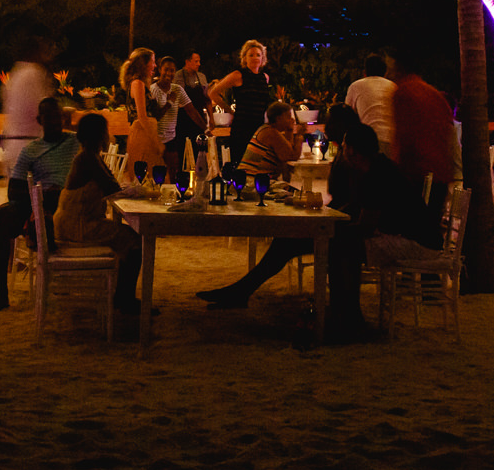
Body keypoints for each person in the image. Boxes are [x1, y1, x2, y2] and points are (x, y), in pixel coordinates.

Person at [195, 126, 438, 342]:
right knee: (292, 240)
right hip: (394, 234)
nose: (342, 153)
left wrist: (324, 229)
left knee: (338, 244)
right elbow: (352, 211)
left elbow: (363, 227)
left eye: (343, 148)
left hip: (415, 241)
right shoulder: (368, 169)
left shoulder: (377, 173)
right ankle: (243, 291)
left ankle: (348, 317)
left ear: (353, 150)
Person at [0, 98, 80, 313]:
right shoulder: (31, 150)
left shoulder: (75, 141)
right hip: (43, 202)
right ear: (40, 120)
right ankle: (2, 293)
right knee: (1, 216)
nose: (56, 122)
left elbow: (101, 138)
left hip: (72, 203)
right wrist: (40, 197)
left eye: (58, 116)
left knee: (51, 210)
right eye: (50, 117)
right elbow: (13, 190)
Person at [53, 112, 146, 315]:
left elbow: (111, 185)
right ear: (98, 135)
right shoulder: (87, 158)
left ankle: (121, 294)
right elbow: (112, 187)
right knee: (134, 241)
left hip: (73, 220)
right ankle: (124, 298)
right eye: (105, 131)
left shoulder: (89, 155)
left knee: (127, 237)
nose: (108, 135)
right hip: (79, 225)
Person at [386, 49, 457, 217]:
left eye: (391, 68)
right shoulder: (433, 93)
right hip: (440, 173)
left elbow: (405, 138)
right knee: (431, 230)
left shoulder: (403, 92)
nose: (388, 74)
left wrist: (396, 176)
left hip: (417, 174)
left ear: (399, 68)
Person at [210, 39, 274, 171]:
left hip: (259, 128)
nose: (255, 58)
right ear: (244, 58)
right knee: (240, 165)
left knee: (258, 166)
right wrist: (229, 111)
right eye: (251, 55)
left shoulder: (265, 77)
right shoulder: (238, 75)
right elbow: (213, 93)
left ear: (263, 58)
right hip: (242, 127)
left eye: (258, 55)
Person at [0, 31, 56, 176]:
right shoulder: (32, 74)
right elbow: (42, 107)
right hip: (29, 146)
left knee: (17, 194)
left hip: (12, 144)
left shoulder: (16, 73)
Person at [120, 47, 167, 180]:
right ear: (144, 64)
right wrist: (157, 142)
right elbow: (142, 116)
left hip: (146, 131)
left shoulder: (142, 84)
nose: (155, 65)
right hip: (142, 133)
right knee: (150, 175)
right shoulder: (137, 84)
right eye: (152, 61)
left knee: (153, 174)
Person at [239, 100, 301, 184]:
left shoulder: (268, 130)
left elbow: (287, 152)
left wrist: (289, 130)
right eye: (288, 117)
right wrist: (300, 137)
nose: (292, 120)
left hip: (250, 180)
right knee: (296, 194)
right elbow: (290, 156)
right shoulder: (270, 133)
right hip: (253, 182)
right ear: (278, 118)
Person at [151, 57, 194, 172]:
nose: (169, 73)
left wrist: (206, 128)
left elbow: (191, 110)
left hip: (171, 139)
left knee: (174, 172)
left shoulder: (177, 89)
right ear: (160, 69)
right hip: (156, 140)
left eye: (172, 70)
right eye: (166, 69)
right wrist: (169, 103)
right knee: (158, 174)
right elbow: (154, 117)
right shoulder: (153, 90)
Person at [345, 53, 396, 149]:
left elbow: (347, 116)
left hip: (368, 141)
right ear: (385, 72)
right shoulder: (393, 87)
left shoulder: (356, 86)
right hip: (393, 141)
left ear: (365, 72)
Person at [170, 52, 212, 167]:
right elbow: (180, 99)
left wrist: (211, 120)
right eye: (196, 61)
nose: (199, 64)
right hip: (183, 118)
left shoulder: (202, 77)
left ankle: (200, 175)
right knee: (180, 149)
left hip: (198, 118)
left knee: (200, 149)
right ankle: (180, 178)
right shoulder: (178, 76)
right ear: (187, 62)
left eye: (199, 61)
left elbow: (207, 99)